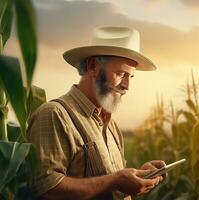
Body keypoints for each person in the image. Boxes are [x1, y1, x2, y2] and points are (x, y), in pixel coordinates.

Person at [27, 26, 165, 200]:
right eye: (121, 73)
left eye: (130, 77)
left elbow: (111, 182)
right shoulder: (54, 114)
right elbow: (45, 188)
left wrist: (138, 176)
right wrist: (115, 180)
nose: (126, 86)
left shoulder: (111, 125)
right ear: (92, 66)